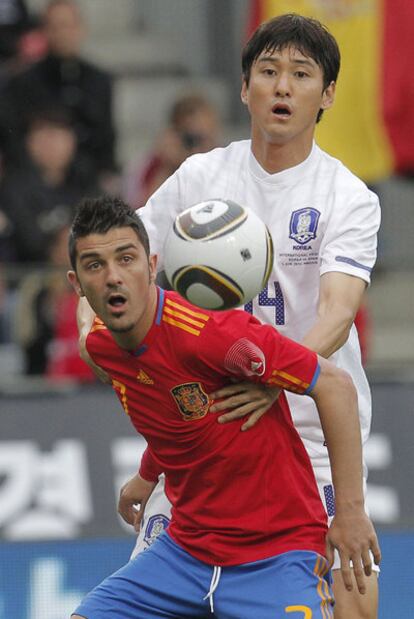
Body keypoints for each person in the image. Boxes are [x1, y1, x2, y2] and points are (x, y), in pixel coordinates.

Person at [109, 13, 381, 619]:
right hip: (211, 424)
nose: (282, 87)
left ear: (327, 94)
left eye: (301, 74)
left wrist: (273, 379)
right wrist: (90, 317)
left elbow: (337, 315)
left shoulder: (348, 197)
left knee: (357, 605)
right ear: (244, 87)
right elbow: (124, 255)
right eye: (268, 71)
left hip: (310, 433)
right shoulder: (201, 177)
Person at [69, 196, 379, 619]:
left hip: (275, 554)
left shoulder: (214, 333)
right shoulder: (102, 348)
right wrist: (146, 475)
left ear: (152, 262)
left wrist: (350, 513)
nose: (113, 278)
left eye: (126, 259)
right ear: (77, 284)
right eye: (94, 266)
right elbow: (173, 413)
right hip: (184, 555)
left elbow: (336, 386)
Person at [0, 0, 117, 187]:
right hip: (33, 186)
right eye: (55, 26)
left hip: (86, 182)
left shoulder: (99, 81)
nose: (63, 34)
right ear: (44, 31)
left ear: (81, 28)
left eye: (69, 26)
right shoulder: (22, 83)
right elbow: (14, 143)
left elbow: (106, 140)